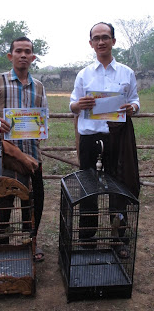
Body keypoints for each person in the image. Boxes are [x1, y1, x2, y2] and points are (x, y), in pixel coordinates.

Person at [70, 22, 140, 258]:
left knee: (117, 189)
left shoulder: (126, 73)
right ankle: (87, 239)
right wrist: (78, 105)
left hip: (116, 139)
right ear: (91, 43)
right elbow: (73, 104)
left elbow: (135, 101)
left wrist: (133, 107)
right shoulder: (84, 74)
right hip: (90, 138)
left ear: (113, 41)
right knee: (88, 189)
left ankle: (118, 239)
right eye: (96, 38)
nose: (101, 42)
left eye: (105, 37)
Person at [0, 36, 48, 262]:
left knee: (34, 199)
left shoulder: (38, 86)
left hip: (32, 154)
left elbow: (42, 117)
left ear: (33, 57)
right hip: (5, 154)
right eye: (18, 51)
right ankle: (0, 243)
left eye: (27, 51)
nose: (23, 55)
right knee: (4, 198)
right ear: (10, 56)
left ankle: (31, 241)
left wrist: (41, 128)